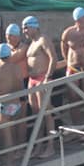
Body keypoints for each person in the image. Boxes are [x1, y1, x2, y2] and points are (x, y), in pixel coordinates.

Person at [0, 43, 25, 166]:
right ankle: (18, 158)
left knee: (7, 139)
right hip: (17, 104)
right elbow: (20, 86)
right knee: (15, 133)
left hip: (5, 106)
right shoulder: (16, 68)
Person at [22, 16, 56, 157]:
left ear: (34, 26)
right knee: (37, 115)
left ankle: (50, 146)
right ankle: (38, 146)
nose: (24, 31)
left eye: (26, 27)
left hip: (42, 79)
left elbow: (53, 57)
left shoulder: (43, 40)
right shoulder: (31, 43)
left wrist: (48, 77)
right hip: (32, 81)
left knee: (46, 113)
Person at [61, 7, 84, 126]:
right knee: (73, 98)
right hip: (73, 68)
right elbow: (64, 46)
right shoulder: (68, 32)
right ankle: (77, 126)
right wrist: (67, 61)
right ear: (78, 19)